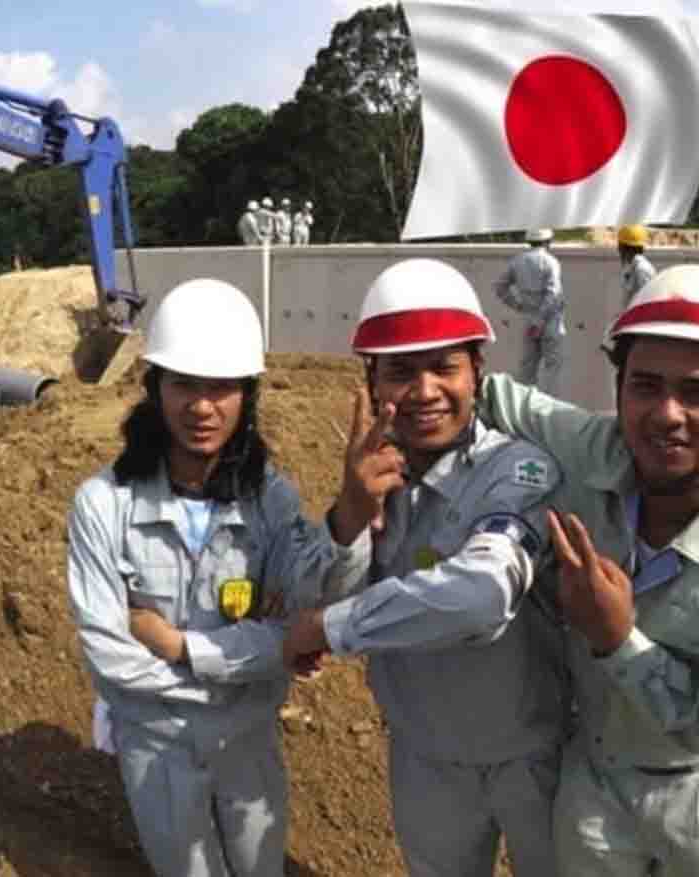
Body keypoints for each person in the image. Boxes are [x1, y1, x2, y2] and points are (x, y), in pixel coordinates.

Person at [478, 264, 699, 877]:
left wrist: (618, 640)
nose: (666, 414)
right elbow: (497, 397)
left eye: (698, 392)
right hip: (593, 788)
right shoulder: (594, 449)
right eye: (645, 386)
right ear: (619, 388)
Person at [66, 279, 372, 877]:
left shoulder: (270, 501)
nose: (202, 408)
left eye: (221, 388)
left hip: (248, 743)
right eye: (184, 384)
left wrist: (352, 516)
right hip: (158, 748)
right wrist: (264, 654)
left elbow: (314, 608)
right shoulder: (103, 505)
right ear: (155, 388)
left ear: (246, 396)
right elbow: (111, 658)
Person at [280, 258, 569, 877]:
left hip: (532, 759)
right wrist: (351, 515)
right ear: (372, 383)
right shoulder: (376, 476)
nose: (425, 391)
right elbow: (318, 591)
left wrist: (333, 626)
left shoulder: (518, 472)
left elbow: (480, 599)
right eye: (401, 372)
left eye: (445, 367)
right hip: (425, 757)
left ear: (477, 372)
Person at [493, 228, 565, 396]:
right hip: (550, 321)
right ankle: (548, 407)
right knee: (552, 367)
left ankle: (524, 408)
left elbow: (499, 287)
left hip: (528, 318)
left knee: (527, 368)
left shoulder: (517, 261)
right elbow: (553, 293)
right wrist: (539, 321)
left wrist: (517, 305)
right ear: (548, 242)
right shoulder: (550, 262)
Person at [617, 224, 657, 306]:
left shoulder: (642, 269)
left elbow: (647, 302)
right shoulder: (634, 267)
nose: (618, 250)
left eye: (620, 246)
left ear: (626, 248)